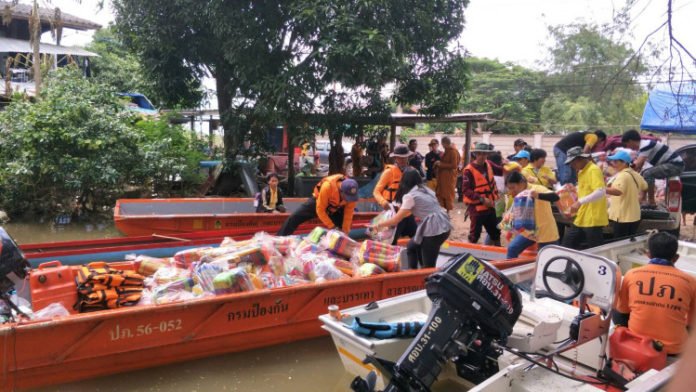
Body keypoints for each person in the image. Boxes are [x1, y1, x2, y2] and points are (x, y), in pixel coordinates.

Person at [613, 232, 696, 356]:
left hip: (638, 342)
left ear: (648, 255)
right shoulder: (690, 281)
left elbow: (623, 311)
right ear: (676, 258)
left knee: (618, 309)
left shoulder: (631, 274)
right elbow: (691, 324)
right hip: (674, 349)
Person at [371, 170, 451, 269]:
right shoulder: (426, 190)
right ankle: (413, 273)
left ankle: (425, 278)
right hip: (444, 225)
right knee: (412, 247)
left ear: (404, 181)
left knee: (429, 266)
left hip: (434, 230)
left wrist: (378, 225)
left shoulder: (410, 196)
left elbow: (396, 220)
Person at [277, 174, 359, 236]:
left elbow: (348, 215)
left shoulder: (351, 196)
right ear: (341, 191)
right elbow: (320, 210)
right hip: (318, 203)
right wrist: (332, 227)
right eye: (347, 197)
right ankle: (280, 239)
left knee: (342, 230)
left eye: (350, 198)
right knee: (294, 217)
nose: (348, 200)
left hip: (336, 208)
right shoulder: (327, 187)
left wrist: (345, 232)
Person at [561, 146, 608, 250]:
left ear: (580, 159)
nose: (572, 166)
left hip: (593, 217)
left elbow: (600, 191)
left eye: (572, 163)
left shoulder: (593, 169)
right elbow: (586, 189)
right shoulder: (581, 171)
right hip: (583, 215)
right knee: (567, 244)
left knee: (595, 249)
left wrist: (579, 202)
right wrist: (574, 189)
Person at [622, 129, 684, 207]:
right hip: (670, 165)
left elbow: (637, 164)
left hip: (675, 165)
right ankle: (642, 199)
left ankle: (651, 201)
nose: (628, 147)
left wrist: (624, 172)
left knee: (648, 174)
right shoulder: (642, 148)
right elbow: (638, 168)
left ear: (630, 141)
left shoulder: (645, 145)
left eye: (627, 144)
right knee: (643, 174)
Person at [504, 172, 560, 258]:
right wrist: (508, 228)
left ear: (522, 183)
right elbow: (513, 211)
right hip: (528, 231)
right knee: (512, 248)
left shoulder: (536, 189)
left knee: (546, 258)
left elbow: (555, 197)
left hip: (545, 231)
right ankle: (512, 270)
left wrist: (538, 195)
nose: (511, 191)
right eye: (509, 188)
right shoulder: (518, 194)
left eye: (513, 188)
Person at [373, 144, 417, 244]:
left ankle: (416, 258)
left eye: (404, 157)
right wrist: (383, 202)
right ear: (395, 158)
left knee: (418, 239)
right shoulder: (389, 172)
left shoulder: (413, 171)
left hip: (407, 213)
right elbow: (376, 191)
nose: (402, 160)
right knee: (391, 242)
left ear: (408, 157)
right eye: (399, 158)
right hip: (393, 212)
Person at [462, 142, 501, 245]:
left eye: (484, 154)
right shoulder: (468, 170)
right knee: (475, 235)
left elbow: (501, 171)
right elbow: (466, 190)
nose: (482, 156)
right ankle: (469, 255)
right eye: (479, 154)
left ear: (487, 154)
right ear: (475, 154)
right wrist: (482, 199)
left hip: (490, 206)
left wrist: (511, 166)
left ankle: (496, 254)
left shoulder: (489, 164)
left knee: (496, 232)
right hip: (477, 208)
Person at [606, 150, 648, 238]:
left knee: (619, 241)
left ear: (624, 163)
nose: (613, 163)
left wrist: (601, 189)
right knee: (629, 241)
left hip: (622, 216)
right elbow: (645, 186)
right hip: (634, 215)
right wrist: (641, 198)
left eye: (616, 161)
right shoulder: (635, 174)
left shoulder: (622, 175)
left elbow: (618, 191)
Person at [434, 137, 461, 212]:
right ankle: (443, 210)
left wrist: (440, 164)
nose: (442, 146)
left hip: (449, 177)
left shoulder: (453, 152)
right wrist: (439, 163)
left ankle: (448, 211)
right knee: (441, 193)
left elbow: (454, 165)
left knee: (447, 194)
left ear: (445, 143)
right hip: (443, 176)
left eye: (442, 144)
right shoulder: (447, 151)